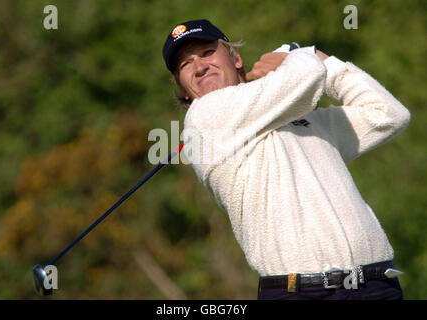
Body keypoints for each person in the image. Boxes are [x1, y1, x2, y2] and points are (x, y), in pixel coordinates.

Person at [162, 19, 410, 300]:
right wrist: (295, 54)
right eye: (185, 64)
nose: (199, 67)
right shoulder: (204, 117)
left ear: (236, 58)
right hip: (300, 292)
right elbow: (306, 74)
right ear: (182, 89)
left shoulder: (303, 121)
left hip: (377, 284)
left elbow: (388, 114)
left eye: (207, 53)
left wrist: (320, 60)